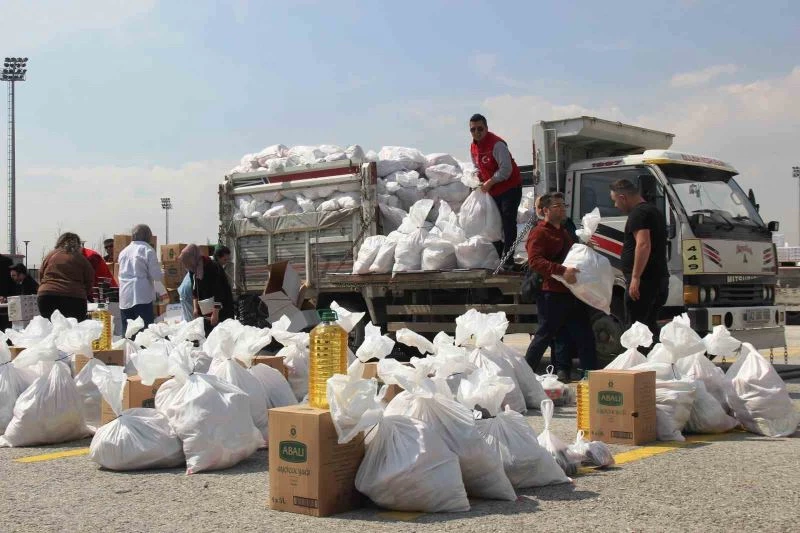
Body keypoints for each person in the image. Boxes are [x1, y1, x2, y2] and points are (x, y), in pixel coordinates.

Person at [524, 193, 597, 382]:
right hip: (552, 293)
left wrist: (586, 248)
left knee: (584, 335)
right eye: (557, 206)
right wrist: (562, 271)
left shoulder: (564, 231)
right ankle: (523, 376)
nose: (562, 208)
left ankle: (592, 376)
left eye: (563, 205)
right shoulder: (539, 232)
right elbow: (535, 262)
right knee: (544, 336)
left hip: (572, 292)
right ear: (545, 210)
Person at [610, 179, 669, 336]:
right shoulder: (654, 211)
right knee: (649, 327)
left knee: (637, 329)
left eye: (615, 201)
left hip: (644, 282)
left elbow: (643, 245)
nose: (615, 205)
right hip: (657, 279)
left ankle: (639, 360)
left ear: (623, 197)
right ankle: (653, 358)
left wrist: (635, 277)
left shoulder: (639, 214)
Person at [469, 113, 523, 269]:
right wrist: (476, 178)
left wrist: (490, 182)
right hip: (492, 190)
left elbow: (506, 170)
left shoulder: (497, 144)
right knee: (494, 222)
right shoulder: (473, 146)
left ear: (486, 128)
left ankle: (508, 259)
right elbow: (477, 167)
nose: (477, 132)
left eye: (480, 129)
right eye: (473, 130)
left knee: (507, 221)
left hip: (509, 188)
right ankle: (498, 255)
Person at [37, 232, 95, 320]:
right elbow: (90, 279)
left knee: (49, 329)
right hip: (74, 297)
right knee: (74, 329)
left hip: (46, 296)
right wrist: (84, 293)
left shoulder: (50, 255)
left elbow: (41, 274)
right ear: (77, 244)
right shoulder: (81, 259)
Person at [179, 244, 234, 334]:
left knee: (222, 334)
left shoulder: (212, 267)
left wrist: (215, 314)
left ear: (193, 258)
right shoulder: (193, 270)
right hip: (206, 309)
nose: (186, 265)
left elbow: (219, 292)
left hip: (221, 309)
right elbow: (194, 290)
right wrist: (195, 308)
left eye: (187, 262)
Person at [118, 224, 163, 327]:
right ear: (148, 236)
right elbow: (156, 276)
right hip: (142, 297)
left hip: (125, 297)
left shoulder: (123, 252)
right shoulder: (148, 250)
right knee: (145, 334)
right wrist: (162, 272)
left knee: (129, 334)